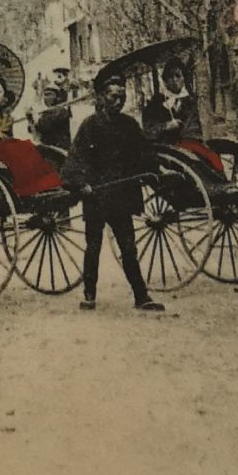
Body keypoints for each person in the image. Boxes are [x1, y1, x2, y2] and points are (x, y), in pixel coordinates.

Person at [61, 72, 165, 312]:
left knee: (128, 247)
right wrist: (81, 184)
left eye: (122, 96)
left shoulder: (130, 125)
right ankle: (89, 294)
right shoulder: (90, 125)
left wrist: (157, 170)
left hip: (121, 196)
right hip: (96, 195)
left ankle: (141, 297)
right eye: (113, 96)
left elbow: (144, 154)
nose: (118, 101)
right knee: (94, 246)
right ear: (102, 97)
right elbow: (75, 160)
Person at [140, 59, 202, 143]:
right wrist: (166, 126)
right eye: (170, 76)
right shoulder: (155, 103)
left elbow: (195, 128)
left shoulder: (190, 101)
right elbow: (147, 131)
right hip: (164, 148)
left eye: (178, 76)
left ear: (183, 78)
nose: (174, 80)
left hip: (187, 147)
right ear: (165, 80)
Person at [30, 84, 73, 152]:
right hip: (48, 150)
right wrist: (30, 120)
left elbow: (44, 125)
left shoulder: (61, 111)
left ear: (57, 97)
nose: (45, 97)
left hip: (60, 150)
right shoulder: (46, 112)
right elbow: (36, 134)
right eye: (45, 95)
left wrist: (34, 118)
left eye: (49, 94)